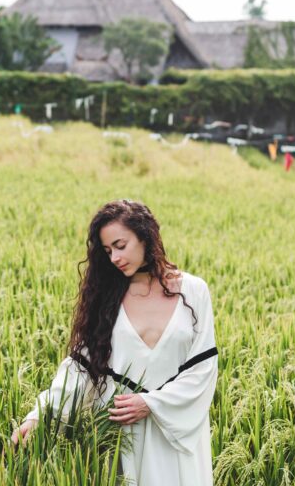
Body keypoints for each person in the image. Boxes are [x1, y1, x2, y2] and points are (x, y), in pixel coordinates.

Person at [11, 199, 218, 485]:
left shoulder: (194, 291)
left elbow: (204, 371)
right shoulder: (107, 298)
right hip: (123, 434)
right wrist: (40, 415)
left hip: (176, 434)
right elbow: (79, 370)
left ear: (145, 236)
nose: (115, 258)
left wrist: (150, 402)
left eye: (121, 246)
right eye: (108, 251)